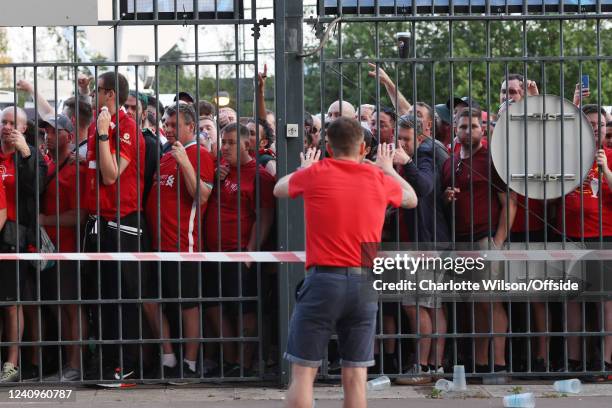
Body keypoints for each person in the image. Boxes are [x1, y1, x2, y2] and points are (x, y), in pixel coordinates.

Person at [275, 116, 417, 408]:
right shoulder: (378, 179)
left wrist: (304, 168)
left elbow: (279, 188)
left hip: (323, 280)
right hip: (364, 283)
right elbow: (412, 199)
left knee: (303, 375)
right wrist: (389, 169)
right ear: (364, 148)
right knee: (355, 378)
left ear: (327, 147)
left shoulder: (316, 173)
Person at [84, 71, 155, 383]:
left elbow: (111, 175)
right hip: (97, 221)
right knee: (101, 296)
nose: (92, 95)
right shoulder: (96, 124)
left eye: (96, 90)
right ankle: (106, 361)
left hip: (123, 223)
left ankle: (125, 366)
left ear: (110, 94)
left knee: (123, 297)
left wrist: (102, 135)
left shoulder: (125, 127)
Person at [442, 108, 517, 384]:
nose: (467, 131)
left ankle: (498, 364)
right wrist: (446, 196)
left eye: (472, 127)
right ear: (455, 130)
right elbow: (444, 198)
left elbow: (509, 201)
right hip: (460, 241)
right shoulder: (451, 162)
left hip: (485, 238)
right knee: (473, 305)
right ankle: (480, 363)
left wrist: (498, 241)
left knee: (490, 302)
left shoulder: (491, 160)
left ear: (482, 130)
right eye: (462, 127)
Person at [145, 102, 214, 381]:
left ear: (191, 127)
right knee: (150, 300)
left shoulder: (199, 154)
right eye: (166, 123)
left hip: (183, 246)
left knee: (188, 304)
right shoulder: (164, 155)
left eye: (175, 125)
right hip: (156, 245)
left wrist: (185, 162)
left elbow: (202, 195)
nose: (168, 128)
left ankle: (190, 363)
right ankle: (168, 357)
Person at [204, 123, 275, 376]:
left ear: (247, 145)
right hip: (212, 253)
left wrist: (250, 250)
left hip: (239, 254)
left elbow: (265, 216)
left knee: (244, 309)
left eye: (231, 142)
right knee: (215, 306)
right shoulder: (219, 171)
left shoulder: (259, 175)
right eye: (223, 141)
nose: (224, 147)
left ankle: (243, 364)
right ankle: (229, 361)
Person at [392, 116, 450, 385]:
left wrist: (406, 163)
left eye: (406, 139)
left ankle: (423, 367)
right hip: (423, 242)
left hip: (426, 245)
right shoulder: (416, 154)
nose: (401, 144)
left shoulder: (425, 155)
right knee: (430, 305)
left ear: (421, 137)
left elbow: (425, 187)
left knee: (416, 304)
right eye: (399, 138)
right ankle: (433, 367)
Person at [559, 104, 612, 380]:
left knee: (605, 302)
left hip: (603, 238)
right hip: (569, 236)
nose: (594, 128)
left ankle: (605, 362)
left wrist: (605, 170)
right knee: (572, 300)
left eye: (598, 125)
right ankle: (573, 361)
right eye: (588, 123)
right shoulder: (568, 157)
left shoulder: (610, 156)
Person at [39, 114, 87, 382]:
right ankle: (66, 363)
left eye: (54, 131)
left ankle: (76, 364)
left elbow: (79, 215)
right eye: (46, 132)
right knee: (58, 306)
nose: (48, 136)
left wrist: (45, 220)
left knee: (71, 306)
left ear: (69, 135)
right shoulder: (48, 166)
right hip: (48, 250)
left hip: (68, 249)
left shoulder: (76, 169)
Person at [0, 106, 47, 383]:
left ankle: (12, 363)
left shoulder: (29, 154)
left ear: (24, 127)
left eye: (11, 123)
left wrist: (27, 154)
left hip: (15, 236)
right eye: (3, 122)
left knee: (13, 302)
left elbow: (38, 188)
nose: (6, 127)